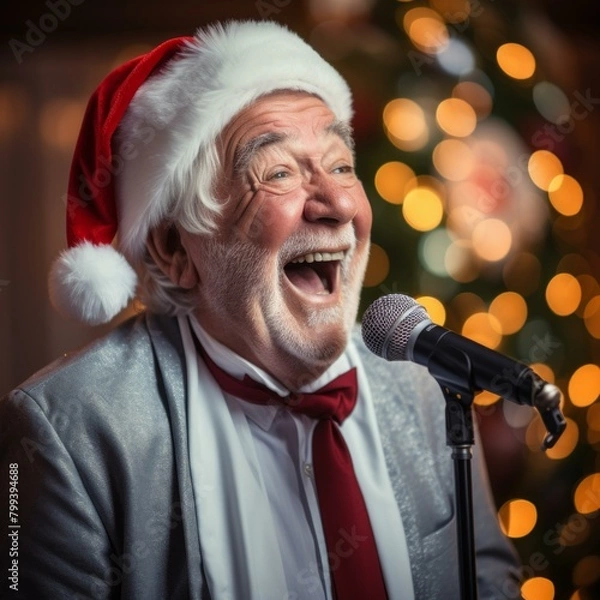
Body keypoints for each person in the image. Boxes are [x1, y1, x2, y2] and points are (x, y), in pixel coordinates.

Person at [1, 20, 520, 600]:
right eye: (278, 173)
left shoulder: (425, 382)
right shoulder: (67, 435)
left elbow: (489, 581)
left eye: (342, 165)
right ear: (175, 251)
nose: (340, 204)